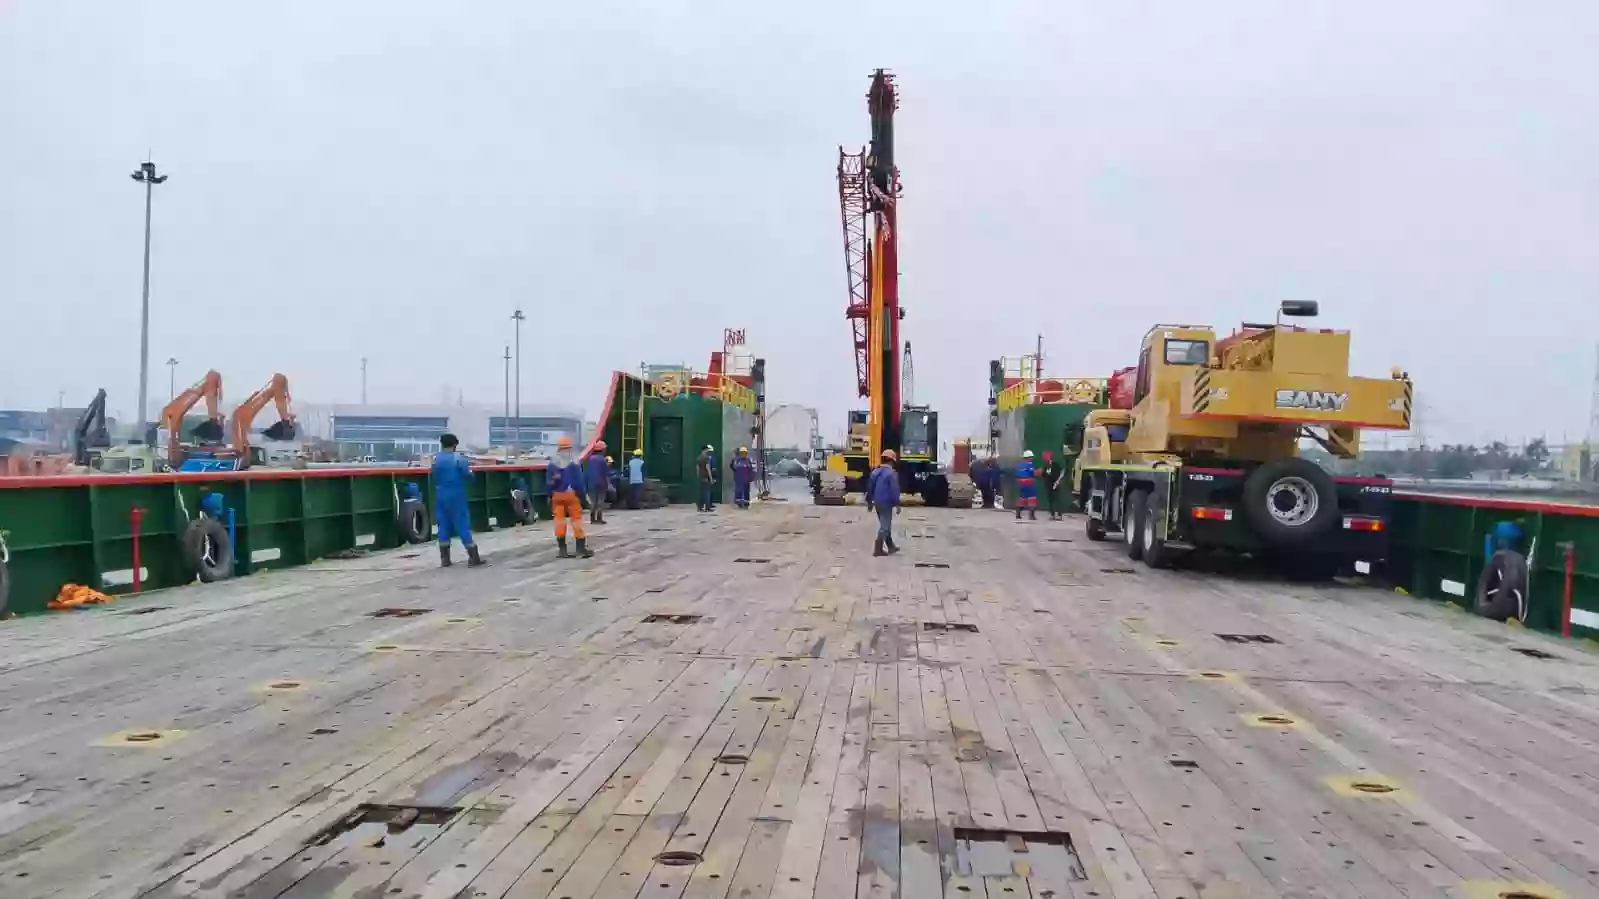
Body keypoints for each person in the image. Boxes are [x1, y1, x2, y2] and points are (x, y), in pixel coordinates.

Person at [432, 433, 484, 567]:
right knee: (462, 523)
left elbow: (433, 475)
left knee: (443, 524)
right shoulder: (459, 459)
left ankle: (445, 559)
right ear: (455, 445)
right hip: (456, 494)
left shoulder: (436, 459)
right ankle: (474, 557)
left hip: (440, 494)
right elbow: (468, 475)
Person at [548, 435, 593, 558]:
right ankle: (580, 549)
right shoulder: (574, 463)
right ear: (569, 449)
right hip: (571, 496)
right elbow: (579, 483)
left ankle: (562, 550)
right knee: (576, 521)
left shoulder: (552, 464)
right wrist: (583, 498)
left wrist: (549, 495)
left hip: (557, 496)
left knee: (559, 522)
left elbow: (548, 483)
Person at [865, 449, 900, 556]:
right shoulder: (891, 474)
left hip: (877, 502)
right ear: (892, 461)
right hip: (886, 503)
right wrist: (897, 504)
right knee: (885, 526)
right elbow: (894, 490)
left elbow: (870, 488)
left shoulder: (875, 472)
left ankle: (891, 546)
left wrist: (869, 502)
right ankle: (878, 549)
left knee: (885, 524)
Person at [586, 441, 610, 524]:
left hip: (591, 483)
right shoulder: (603, 460)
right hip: (601, 483)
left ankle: (592, 519)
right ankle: (599, 519)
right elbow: (605, 472)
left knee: (593, 501)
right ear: (602, 449)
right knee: (600, 501)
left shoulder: (590, 459)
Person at [1015, 450, 1037, 521]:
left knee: (1022, 498)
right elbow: (1033, 473)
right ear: (1028, 457)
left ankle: (1018, 514)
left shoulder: (1019, 465)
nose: (1032, 458)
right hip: (1029, 483)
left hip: (1021, 483)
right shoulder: (1029, 464)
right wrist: (1038, 472)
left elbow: (1017, 474)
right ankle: (1031, 516)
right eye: (1031, 457)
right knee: (1032, 499)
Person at [1039, 450, 1061, 520]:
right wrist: (1043, 473)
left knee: (1056, 500)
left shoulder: (1056, 465)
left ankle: (1058, 515)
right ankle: (1052, 514)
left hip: (1055, 484)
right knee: (1050, 500)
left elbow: (1057, 474)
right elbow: (1043, 475)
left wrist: (1051, 475)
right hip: (1048, 485)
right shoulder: (1046, 466)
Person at [695, 445, 716, 512]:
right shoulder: (706, 458)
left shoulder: (698, 458)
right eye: (706, 450)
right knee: (707, 493)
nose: (707, 451)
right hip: (706, 477)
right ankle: (707, 507)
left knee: (701, 493)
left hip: (701, 477)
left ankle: (699, 507)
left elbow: (697, 469)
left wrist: (698, 476)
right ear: (704, 450)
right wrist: (711, 478)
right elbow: (708, 468)